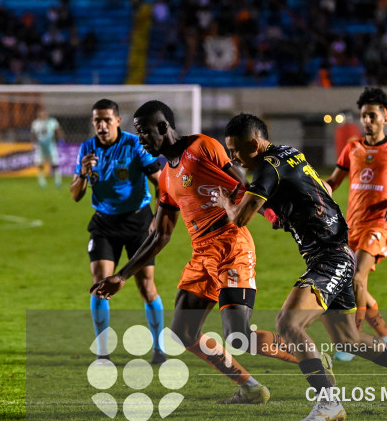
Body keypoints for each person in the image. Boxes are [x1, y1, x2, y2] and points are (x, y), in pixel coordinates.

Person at [213, 113, 387, 421]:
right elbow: (318, 190)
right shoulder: (289, 153)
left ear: (254, 143)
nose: (235, 158)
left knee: (289, 323)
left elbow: (239, 217)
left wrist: (227, 202)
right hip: (336, 252)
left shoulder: (269, 166)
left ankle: (329, 402)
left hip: (329, 258)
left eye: (236, 151)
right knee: (348, 339)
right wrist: (290, 214)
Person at [91, 100, 299, 405]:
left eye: (145, 133)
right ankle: (250, 388)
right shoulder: (165, 177)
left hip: (231, 245)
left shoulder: (203, 148)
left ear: (163, 127)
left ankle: (309, 357)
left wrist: (273, 215)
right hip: (202, 254)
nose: (141, 140)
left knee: (238, 336)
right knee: (183, 333)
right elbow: (160, 234)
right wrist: (122, 275)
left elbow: (244, 187)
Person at [325, 87, 387, 361]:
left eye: (372, 115)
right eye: (364, 116)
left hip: (380, 224)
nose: (367, 120)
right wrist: (318, 190)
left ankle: (351, 340)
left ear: (385, 117)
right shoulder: (352, 147)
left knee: (356, 278)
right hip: (352, 226)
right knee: (354, 283)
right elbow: (334, 182)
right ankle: (383, 331)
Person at [70, 99, 166, 364]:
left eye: (106, 120)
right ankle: (103, 352)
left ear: (117, 121)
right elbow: (75, 195)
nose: (101, 125)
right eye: (97, 121)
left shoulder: (134, 144)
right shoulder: (87, 149)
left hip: (138, 221)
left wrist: (158, 217)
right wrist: (83, 175)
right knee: (100, 283)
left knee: (146, 286)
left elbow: (160, 182)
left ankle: (159, 349)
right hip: (104, 223)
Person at [30, 107, 65, 188]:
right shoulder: (35, 123)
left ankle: (58, 181)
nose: (43, 115)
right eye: (41, 113)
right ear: (38, 114)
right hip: (40, 146)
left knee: (55, 163)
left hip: (51, 145)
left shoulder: (52, 122)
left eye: (44, 113)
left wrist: (61, 139)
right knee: (40, 163)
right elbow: (33, 134)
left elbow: (58, 130)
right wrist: (33, 143)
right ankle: (42, 181)